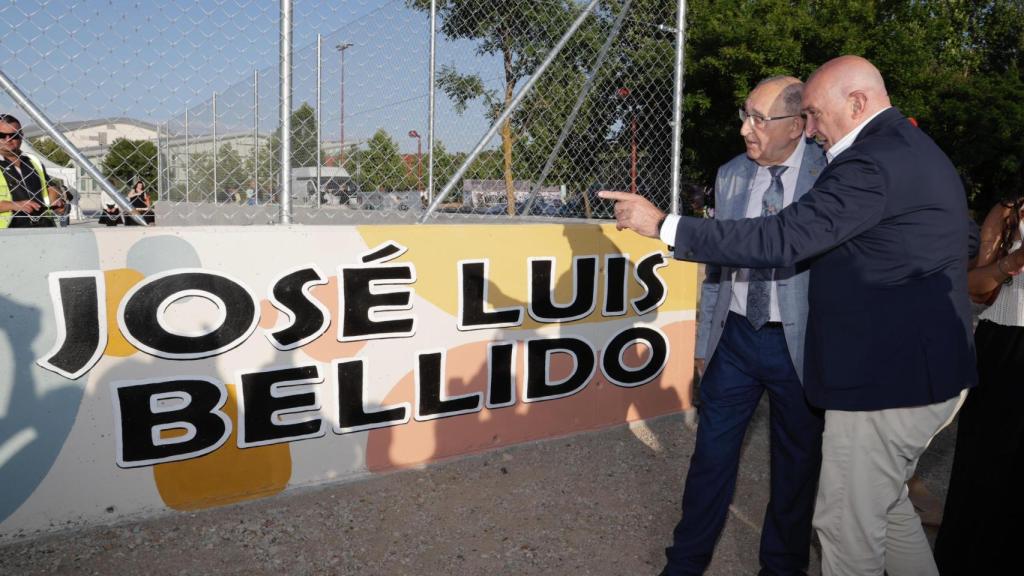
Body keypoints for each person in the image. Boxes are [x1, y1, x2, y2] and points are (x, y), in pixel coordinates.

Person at [601, 55, 975, 576]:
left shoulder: (861, 164)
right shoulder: (904, 151)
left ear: (856, 103)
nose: (813, 126)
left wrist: (665, 225)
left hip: (864, 368)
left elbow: (781, 239)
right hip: (758, 343)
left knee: (842, 524)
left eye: (815, 114)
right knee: (884, 510)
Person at [660, 76, 826, 576]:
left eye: (759, 118)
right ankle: (684, 564)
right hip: (734, 338)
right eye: (744, 114)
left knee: (796, 469)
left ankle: (781, 568)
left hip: (800, 344)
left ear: (797, 126)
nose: (744, 129)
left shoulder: (832, 175)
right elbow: (716, 265)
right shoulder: (731, 175)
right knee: (710, 458)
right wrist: (704, 341)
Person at [934, 198, 1024, 574]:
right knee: (984, 471)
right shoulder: (1009, 212)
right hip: (1006, 348)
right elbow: (974, 286)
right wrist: (1012, 263)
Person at [0, 113, 64, 228]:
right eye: (2, 135)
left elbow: (50, 187)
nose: (8, 139)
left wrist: (56, 199)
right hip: (7, 233)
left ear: (22, 136)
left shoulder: (33, 161)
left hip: (43, 227)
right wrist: (13, 205)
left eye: (14, 135)